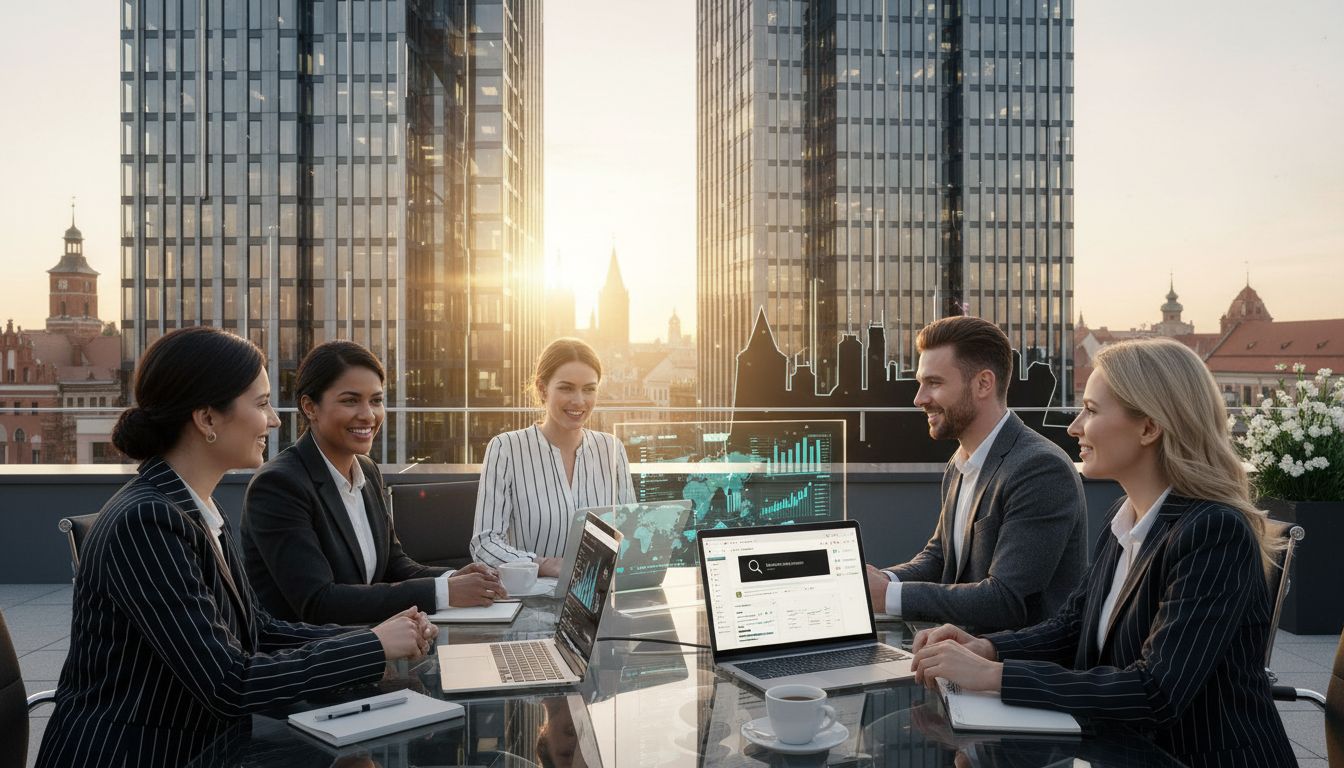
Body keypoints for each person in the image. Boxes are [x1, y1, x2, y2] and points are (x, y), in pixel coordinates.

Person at [35, 327, 433, 768]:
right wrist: (372, 647)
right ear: (207, 419)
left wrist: (376, 637)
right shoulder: (147, 523)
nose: (276, 420)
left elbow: (257, 631)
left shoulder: (195, 507)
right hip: (140, 755)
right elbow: (229, 683)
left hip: (205, 746)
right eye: (262, 404)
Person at [909, 337, 1295, 767]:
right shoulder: (1127, 516)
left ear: (1149, 427)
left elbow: (1155, 692)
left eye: (1090, 411)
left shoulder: (1214, 531)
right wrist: (985, 648)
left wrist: (995, 677)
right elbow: (1071, 626)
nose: (1074, 427)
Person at [242, 340, 505, 624]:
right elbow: (319, 602)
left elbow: (394, 565)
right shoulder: (279, 485)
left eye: (376, 400)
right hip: (311, 657)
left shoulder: (366, 470)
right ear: (310, 407)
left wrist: (453, 577)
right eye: (350, 400)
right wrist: (444, 592)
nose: (368, 415)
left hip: (373, 642)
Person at [865, 315, 1087, 632]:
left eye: (934, 383)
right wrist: (882, 580)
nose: (919, 399)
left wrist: (889, 595)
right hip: (957, 655)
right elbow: (940, 558)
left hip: (1014, 671)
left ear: (983, 383)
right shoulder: (961, 461)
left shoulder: (1040, 469)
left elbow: (1006, 600)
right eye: (920, 383)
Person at [470, 338, 634, 576]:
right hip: (531, 599)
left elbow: (631, 531)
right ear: (542, 388)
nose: (579, 400)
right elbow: (484, 545)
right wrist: (545, 564)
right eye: (566, 388)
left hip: (600, 596)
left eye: (589, 389)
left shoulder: (612, 448)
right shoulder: (506, 448)